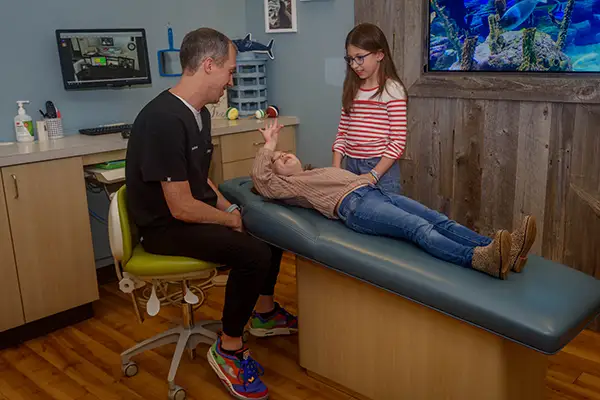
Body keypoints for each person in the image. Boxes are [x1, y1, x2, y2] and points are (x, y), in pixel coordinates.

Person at [125, 28, 296, 400]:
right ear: (208, 65)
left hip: (184, 213)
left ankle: (264, 314)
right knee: (254, 253)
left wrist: (231, 208)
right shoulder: (163, 121)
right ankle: (229, 347)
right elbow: (181, 206)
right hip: (163, 228)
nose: (231, 81)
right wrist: (232, 221)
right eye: (230, 72)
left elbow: (199, 180)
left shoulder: (198, 114)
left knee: (271, 228)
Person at [252, 120, 538, 279]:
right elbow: (263, 181)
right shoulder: (290, 187)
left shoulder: (319, 171)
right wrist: (269, 145)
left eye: (285, 152)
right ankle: (478, 260)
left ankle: (504, 252)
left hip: (373, 194)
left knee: (438, 219)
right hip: (356, 207)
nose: (283, 155)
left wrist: (366, 179)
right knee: (418, 228)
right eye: (277, 159)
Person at [332, 23, 407, 195]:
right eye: (350, 59)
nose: (354, 65)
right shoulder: (352, 88)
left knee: (385, 218)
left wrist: (373, 175)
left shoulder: (392, 90)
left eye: (360, 57)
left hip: (381, 170)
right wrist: (336, 168)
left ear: (379, 54)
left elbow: (398, 142)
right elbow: (342, 133)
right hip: (351, 165)